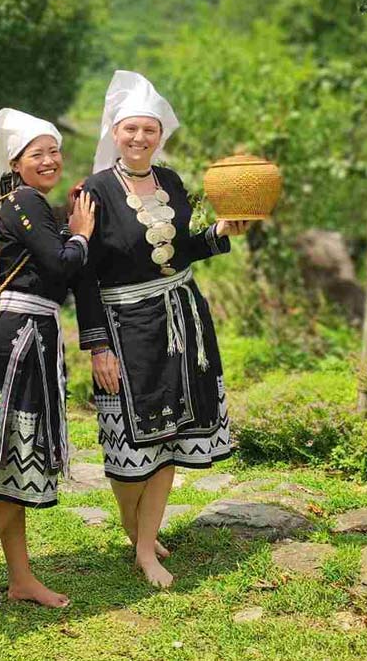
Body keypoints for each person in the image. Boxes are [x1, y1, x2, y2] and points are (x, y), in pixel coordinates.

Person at [75, 71, 248, 588]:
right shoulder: (94, 192)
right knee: (127, 444)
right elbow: (84, 275)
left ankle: (146, 547)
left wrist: (216, 233)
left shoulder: (171, 182)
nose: (139, 139)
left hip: (181, 321)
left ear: (159, 135)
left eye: (149, 131)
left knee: (168, 438)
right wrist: (97, 344)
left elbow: (181, 250)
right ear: (114, 131)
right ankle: (136, 529)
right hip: (126, 329)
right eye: (130, 130)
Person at [0, 108, 95, 612]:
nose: (51, 160)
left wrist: (70, 220)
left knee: (14, 462)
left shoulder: (28, 204)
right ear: (16, 162)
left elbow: (51, 264)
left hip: (22, 336)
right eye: (39, 153)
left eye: (54, 150)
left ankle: (20, 578)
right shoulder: (24, 200)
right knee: (19, 461)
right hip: (20, 341)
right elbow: (61, 264)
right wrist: (79, 233)